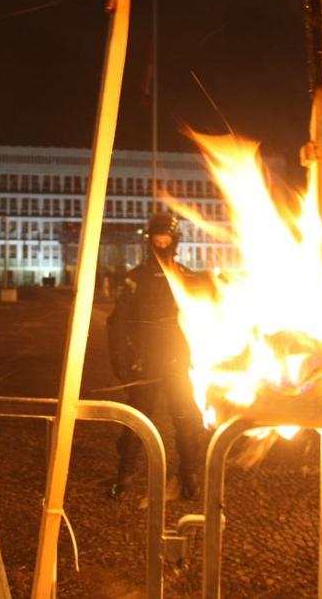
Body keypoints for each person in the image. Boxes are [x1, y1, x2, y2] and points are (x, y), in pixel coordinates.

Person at [106, 212, 202, 500]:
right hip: (144, 362)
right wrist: (122, 362)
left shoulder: (186, 278)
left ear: (175, 242)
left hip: (179, 361)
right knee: (136, 421)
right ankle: (124, 474)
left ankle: (189, 474)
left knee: (186, 420)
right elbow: (117, 323)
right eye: (157, 241)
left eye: (166, 241)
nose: (162, 246)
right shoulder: (134, 279)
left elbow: (201, 321)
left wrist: (199, 359)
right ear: (149, 243)